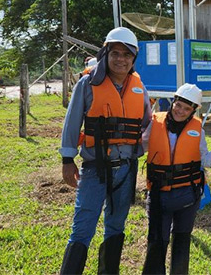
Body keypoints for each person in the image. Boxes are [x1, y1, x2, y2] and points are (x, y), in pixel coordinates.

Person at [59, 26, 152, 275]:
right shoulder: (87, 84)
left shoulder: (139, 88)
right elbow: (71, 122)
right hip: (94, 169)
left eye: (126, 54)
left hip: (126, 170)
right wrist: (67, 159)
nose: (120, 59)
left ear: (134, 58)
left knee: (116, 226)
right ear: (105, 53)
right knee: (83, 226)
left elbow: (147, 124)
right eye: (115, 53)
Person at [142, 83, 211, 275]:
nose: (180, 111)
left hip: (187, 196)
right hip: (158, 195)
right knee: (157, 241)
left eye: (187, 108)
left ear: (193, 111)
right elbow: (139, 146)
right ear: (173, 101)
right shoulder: (154, 123)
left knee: (182, 240)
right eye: (178, 105)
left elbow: (205, 159)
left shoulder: (198, 130)